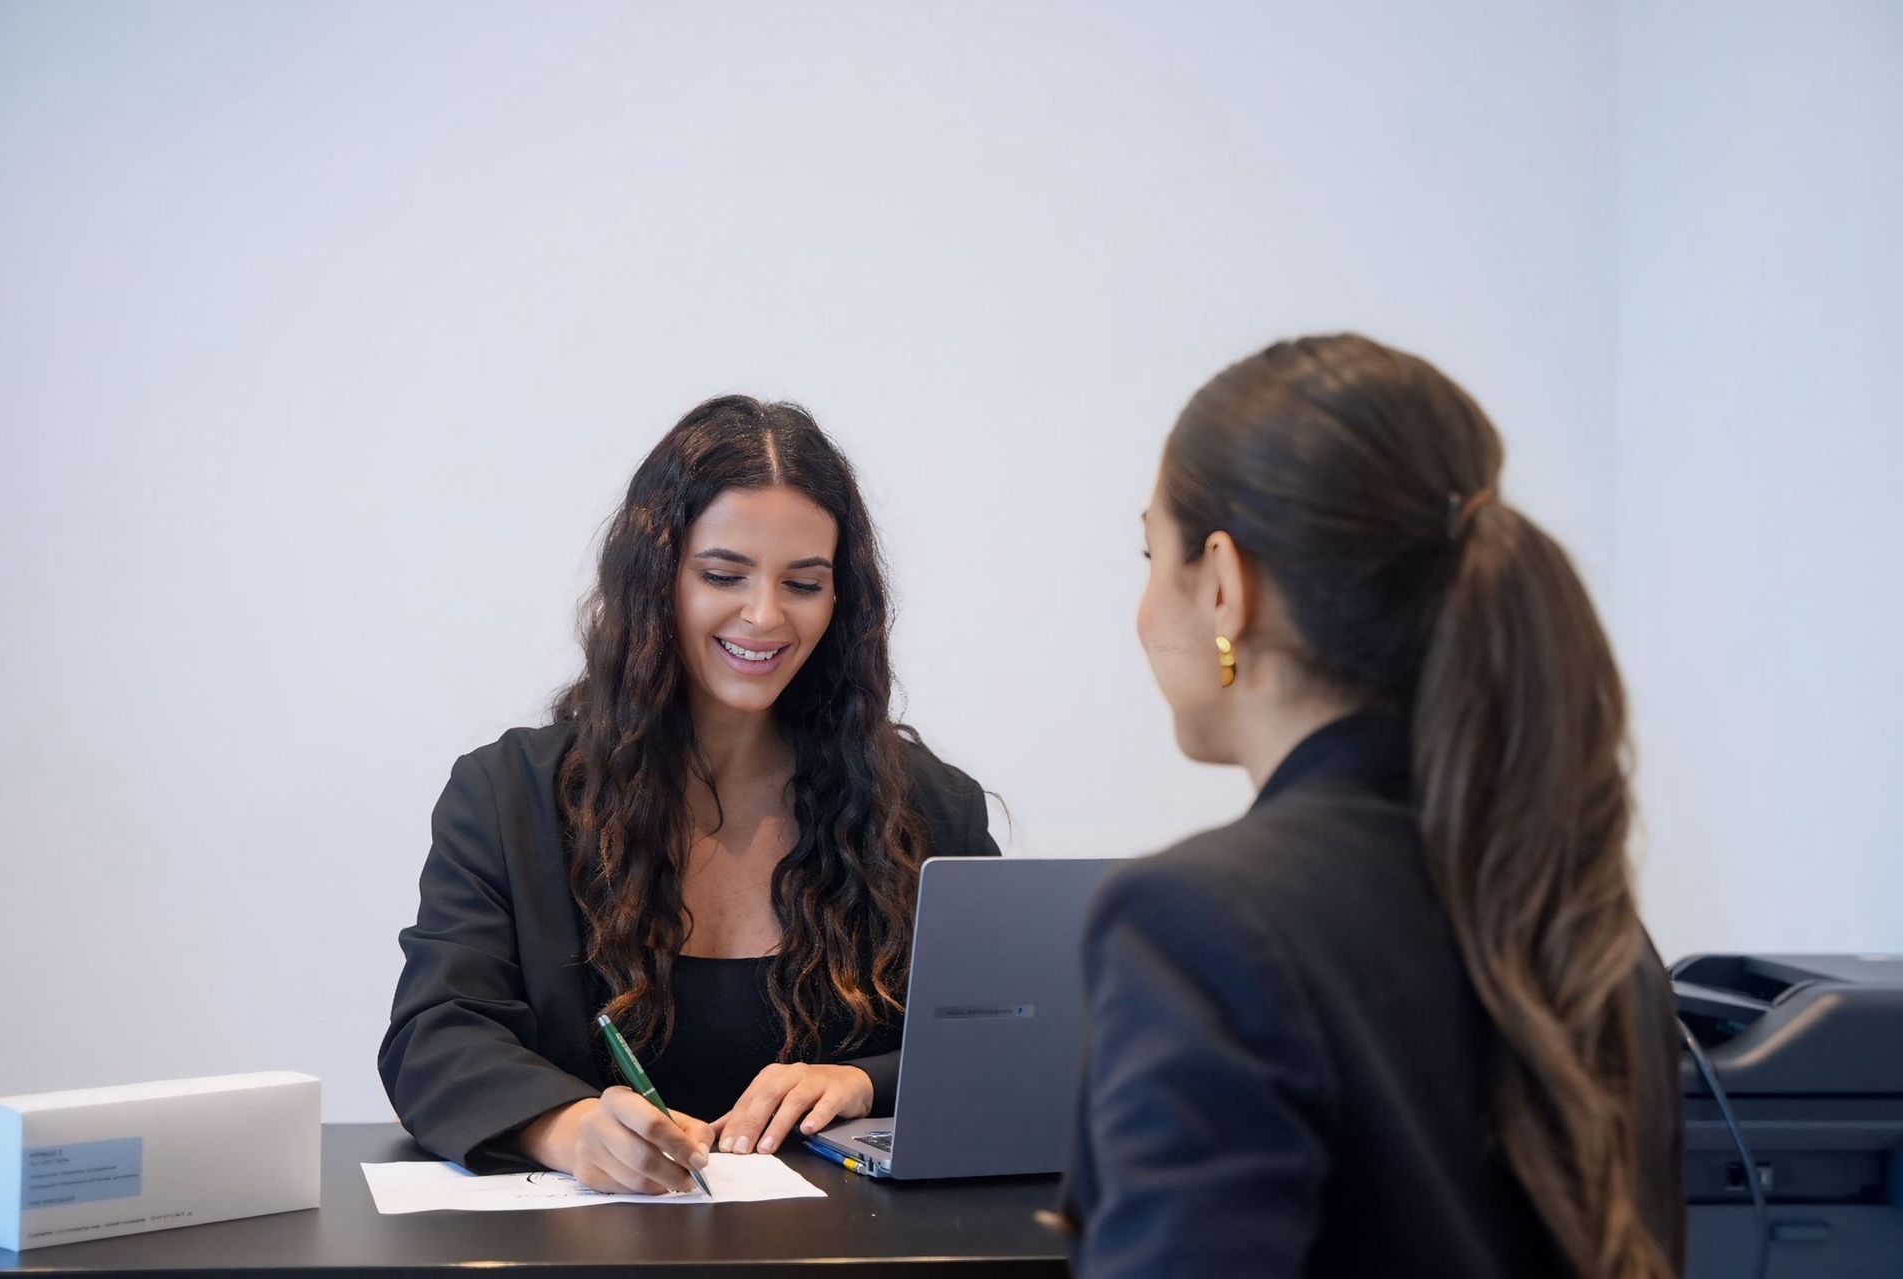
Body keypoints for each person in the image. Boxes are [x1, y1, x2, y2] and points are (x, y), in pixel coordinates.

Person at [1060, 335, 1685, 1276]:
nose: (1144, 608)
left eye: (1154, 553)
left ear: (1225, 585)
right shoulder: (1590, 923)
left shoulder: (1200, 918)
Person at [380, 396, 998, 1195]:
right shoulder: (507, 797)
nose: (765, 615)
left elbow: (1002, 1038)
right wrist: (567, 1128)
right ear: (655, 580)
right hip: (592, 1244)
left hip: (858, 1246)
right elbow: (434, 1036)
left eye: (803, 583)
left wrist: (865, 1082)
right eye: (722, 575)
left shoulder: (928, 808)